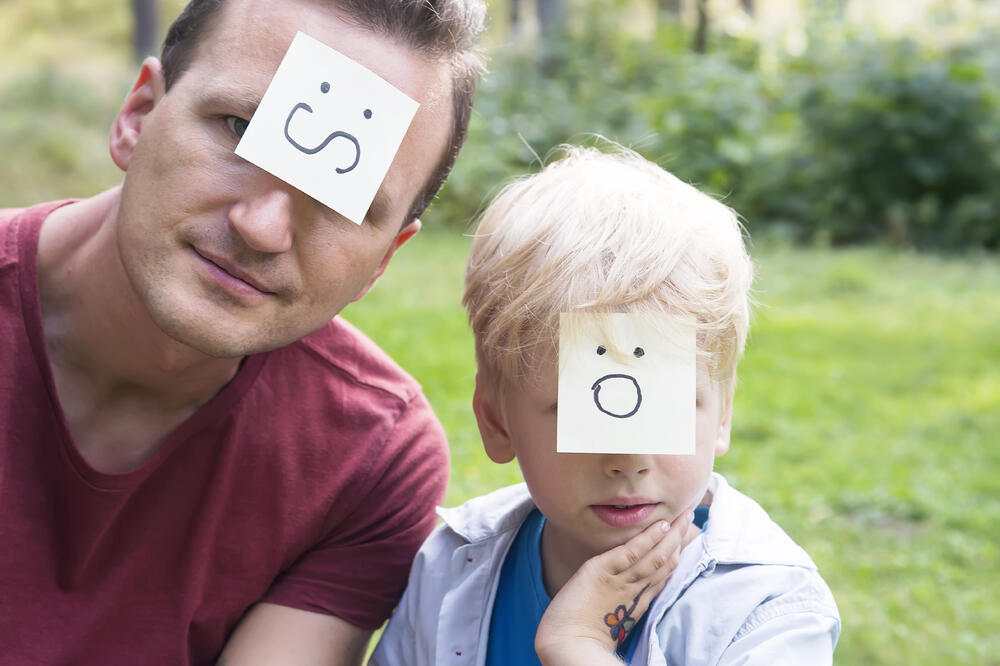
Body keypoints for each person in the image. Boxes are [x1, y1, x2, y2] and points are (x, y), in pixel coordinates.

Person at [0, 0, 485, 663]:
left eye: (344, 199)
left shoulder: (368, 461)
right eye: (239, 128)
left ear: (385, 259)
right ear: (138, 116)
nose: (263, 227)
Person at [371, 145, 841, 665]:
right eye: (583, 411)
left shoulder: (766, 610)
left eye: (667, 408)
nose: (627, 459)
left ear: (722, 414)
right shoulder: (451, 564)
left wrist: (579, 647)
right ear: (496, 420)